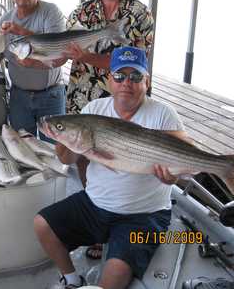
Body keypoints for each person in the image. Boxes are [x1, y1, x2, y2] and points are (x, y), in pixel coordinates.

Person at [35, 46, 187, 289]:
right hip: (95, 205)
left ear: (146, 82)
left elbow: (183, 154)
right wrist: (62, 136)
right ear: (109, 80)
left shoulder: (163, 114)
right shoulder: (94, 110)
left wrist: (172, 179)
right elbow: (67, 160)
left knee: (112, 279)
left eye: (135, 76)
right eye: (119, 76)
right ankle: (72, 280)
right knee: (42, 224)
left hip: (143, 216)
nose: (127, 82)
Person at [62, 0, 156, 259]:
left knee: (126, 157)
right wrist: (35, 57)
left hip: (125, 97)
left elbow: (132, 63)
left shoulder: (140, 14)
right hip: (82, 94)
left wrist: (86, 57)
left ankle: (125, 219)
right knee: (83, 156)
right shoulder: (82, 12)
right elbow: (62, 52)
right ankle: (96, 216)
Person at [0, 0, 67, 138]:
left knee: (54, 150)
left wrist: (19, 31)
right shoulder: (3, 21)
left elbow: (58, 54)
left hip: (51, 95)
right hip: (19, 96)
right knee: (23, 148)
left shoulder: (51, 11)